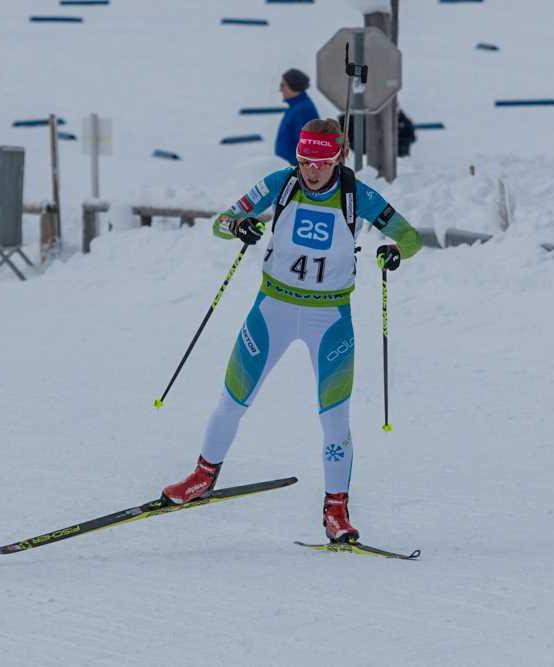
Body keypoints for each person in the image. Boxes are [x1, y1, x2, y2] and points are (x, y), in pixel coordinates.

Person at [162, 118, 423, 543]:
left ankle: (336, 510)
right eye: (304, 161)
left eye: (320, 162)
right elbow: (221, 221)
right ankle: (202, 477)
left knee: (335, 419)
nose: (311, 171)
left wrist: (395, 251)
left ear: (337, 157)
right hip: (274, 309)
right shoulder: (280, 183)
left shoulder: (359, 196)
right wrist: (237, 226)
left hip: (330, 317)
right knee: (232, 400)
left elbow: (410, 237)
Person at [274, 69, 319, 166]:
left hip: (295, 171)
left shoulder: (303, 110)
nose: (280, 89)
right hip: (289, 169)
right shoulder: (295, 108)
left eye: (283, 85)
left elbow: (307, 146)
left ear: (293, 86)